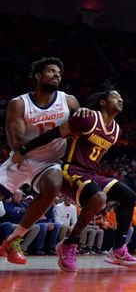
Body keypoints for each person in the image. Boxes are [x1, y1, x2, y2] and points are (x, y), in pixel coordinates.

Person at [14, 87, 136, 271]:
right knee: (99, 198)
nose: (120, 100)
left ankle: (118, 249)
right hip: (70, 169)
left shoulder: (116, 131)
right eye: (115, 96)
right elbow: (55, 133)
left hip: (90, 173)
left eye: (121, 97)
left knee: (129, 196)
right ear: (103, 102)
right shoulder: (88, 118)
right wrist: (24, 150)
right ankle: (69, 244)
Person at [0, 58, 80, 264]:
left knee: (54, 184)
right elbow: (18, 142)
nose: (56, 75)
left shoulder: (69, 101)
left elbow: (81, 129)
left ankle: (14, 239)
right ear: (38, 75)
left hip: (49, 163)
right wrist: (60, 132)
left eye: (59, 74)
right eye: (51, 71)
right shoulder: (19, 104)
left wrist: (86, 116)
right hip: (21, 159)